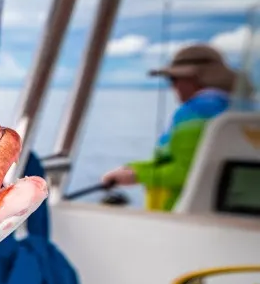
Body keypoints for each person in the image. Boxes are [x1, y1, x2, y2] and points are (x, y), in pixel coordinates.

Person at [101, 43, 240, 211]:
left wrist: (136, 175)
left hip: (179, 214)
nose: (172, 86)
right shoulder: (237, 107)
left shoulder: (195, 111)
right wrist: (133, 169)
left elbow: (188, 171)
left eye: (173, 79)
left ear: (195, 78)